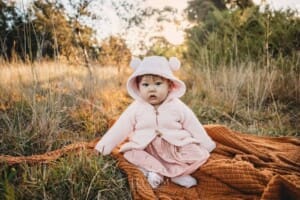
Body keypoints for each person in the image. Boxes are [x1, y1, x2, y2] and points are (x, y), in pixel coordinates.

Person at [95, 56, 216, 188]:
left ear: (169, 86)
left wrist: (206, 143)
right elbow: (120, 128)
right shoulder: (136, 108)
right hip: (147, 148)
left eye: (158, 84)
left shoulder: (177, 106)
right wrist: (102, 148)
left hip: (174, 146)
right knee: (130, 153)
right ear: (138, 86)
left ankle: (177, 174)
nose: (151, 89)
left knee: (196, 152)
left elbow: (192, 124)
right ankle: (154, 172)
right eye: (145, 85)